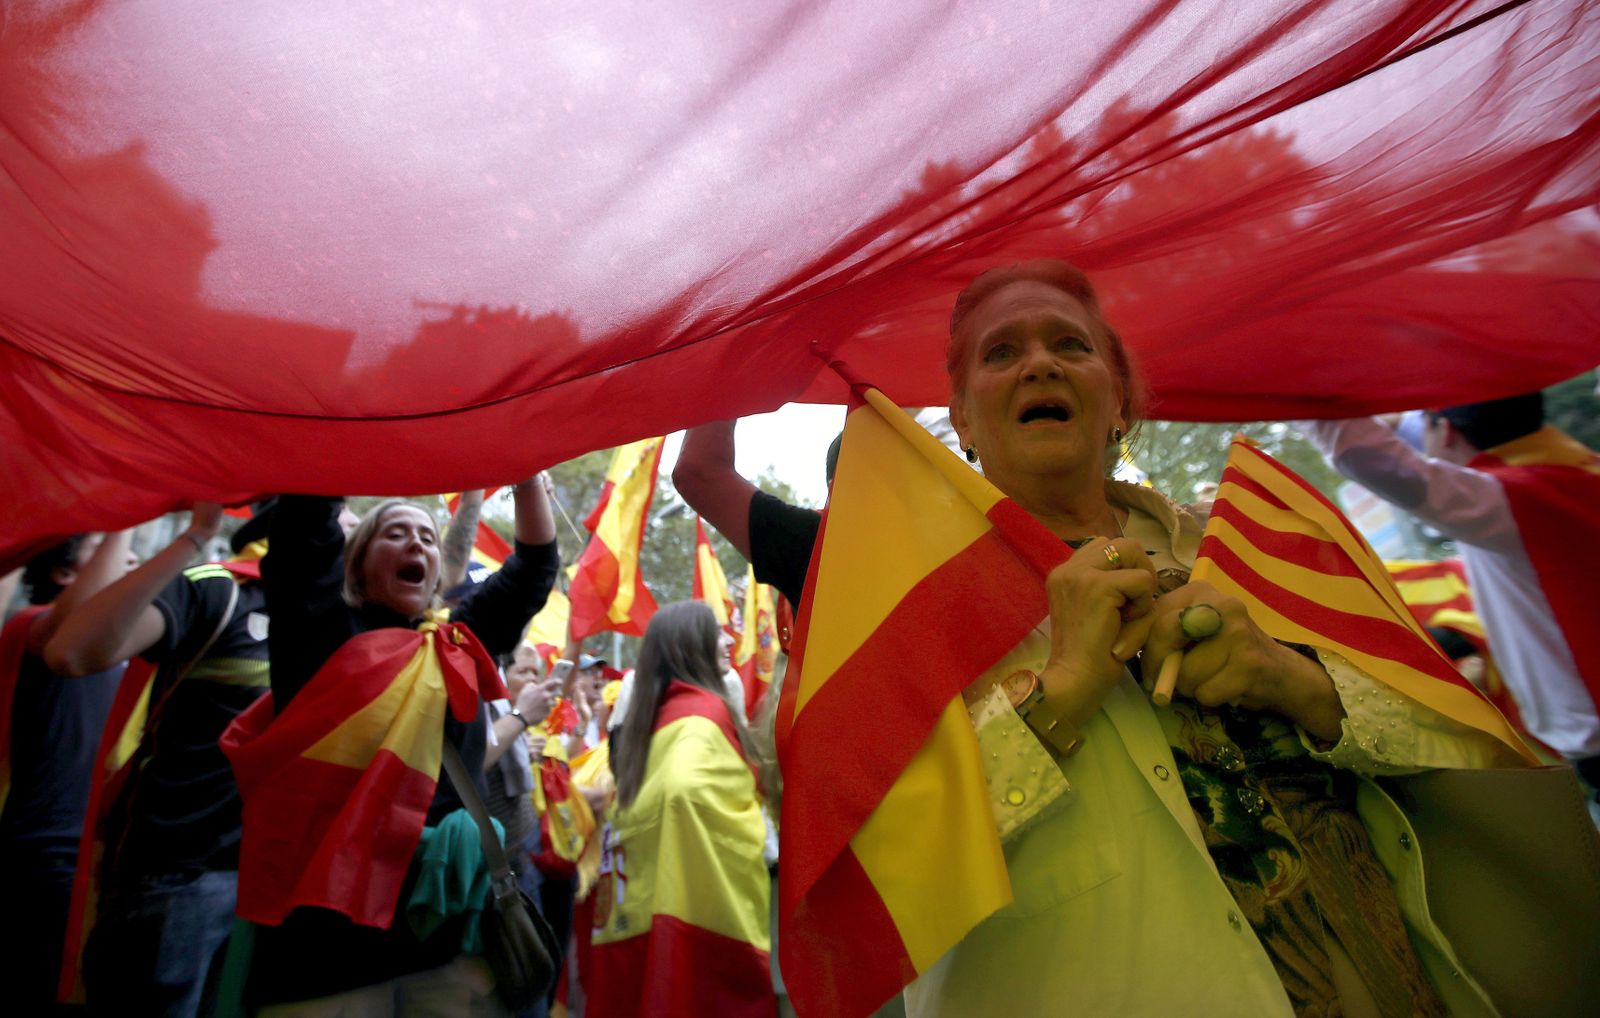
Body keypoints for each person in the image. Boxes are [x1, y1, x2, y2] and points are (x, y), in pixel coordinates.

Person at [877, 260, 1526, 1016]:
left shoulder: (1258, 539)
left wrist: (1294, 679)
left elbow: (1462, 736)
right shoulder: (894, 612)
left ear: (1118, 397)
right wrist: (1054, 696)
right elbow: (875, 880)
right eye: (1000, 353)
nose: (1040, 364)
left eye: (1071, 345)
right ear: (959, 416)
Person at [237, 478, 558, 1014]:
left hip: (448, 944)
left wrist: (527, 478)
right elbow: (305, 522)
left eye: (428, 538)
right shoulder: (316, 633)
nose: (417, 545)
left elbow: (532, 571)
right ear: (356, 565)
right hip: (326, 949)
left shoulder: (455, 643)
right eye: (395, 533)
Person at [44, 504, 298, 1017]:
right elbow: (72, 652)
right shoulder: (219, 590)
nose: (351, 526)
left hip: (269, 892)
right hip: (179, 885)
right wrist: (195, 537)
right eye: (342, 515)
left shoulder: (335, 624)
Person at [1298, 397, 1600, 819]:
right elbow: (1445, 435)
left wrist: (1300, 392)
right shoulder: (1570, 473)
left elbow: (1383, 465)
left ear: (1448, 430)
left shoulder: (1513, 498)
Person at [585, 601, 773, 1017]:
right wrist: (762, 832)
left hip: (639, 928)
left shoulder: (651, 725)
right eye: (715, 633)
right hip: (703, 937)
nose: (728, 641)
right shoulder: (703, 714)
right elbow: (687, 793)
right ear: (692, 647)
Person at [0, 531, 134, 1015]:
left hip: (87, 862)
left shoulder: (124, 656)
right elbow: (76, 622)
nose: (132, 566)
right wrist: (127, 519)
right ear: (63, 575)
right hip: (37, 857)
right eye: (112, 554)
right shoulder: (30, 626)